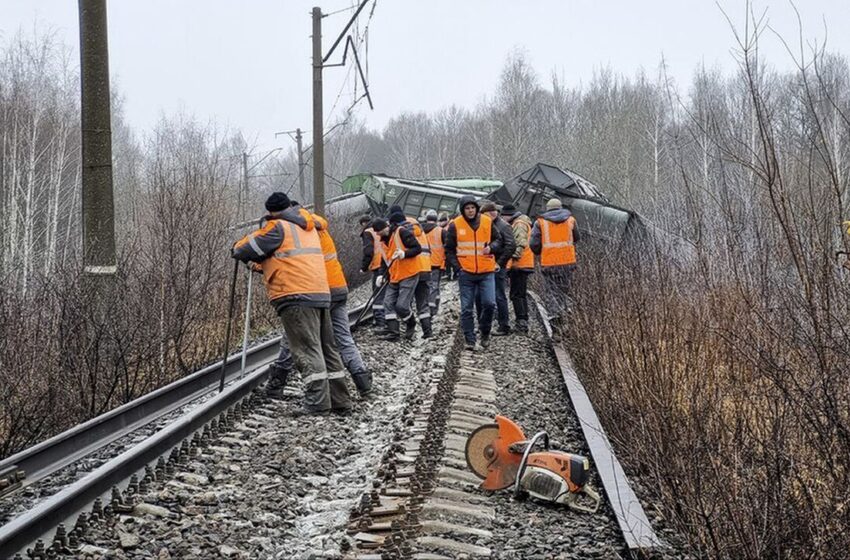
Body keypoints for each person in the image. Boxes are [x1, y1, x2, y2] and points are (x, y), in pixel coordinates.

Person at [232, 192, 351, 415]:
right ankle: (340, 400)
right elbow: (287, 258)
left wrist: (238, 246)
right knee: (327, 348)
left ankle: (317, 403)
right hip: (321, 292)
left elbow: (244, 249)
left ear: (271, 212)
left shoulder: (278, 227)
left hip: (295, 295)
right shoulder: (307, 227)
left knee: (307, 349)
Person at [311, 211, 373, 397]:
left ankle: (279, 380)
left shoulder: (302, 233)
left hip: (320, 291)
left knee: (303, 337)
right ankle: (362, 379)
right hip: (339, 288)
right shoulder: (322, 230)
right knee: (344, 337)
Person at [445, 196, 502, 351]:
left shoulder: (487, 221)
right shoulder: (455, 225)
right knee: (466, 308)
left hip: (486, 270)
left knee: (489, 303)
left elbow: (498, 240)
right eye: (467, 208)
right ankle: (470, 340)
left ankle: (485, 331)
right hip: (466, 273)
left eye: (472, 208)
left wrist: (492, 247)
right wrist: (458, 268)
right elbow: (449, 249)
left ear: (476, 208)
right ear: (462, 210)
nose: (470, 211)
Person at [378, 206, 432, 341]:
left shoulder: (399, 230)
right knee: (422, 303)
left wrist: (404, 255)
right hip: (424, 268)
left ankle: (410, 325)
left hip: (410, 268)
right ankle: (427, 332)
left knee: (403, 304)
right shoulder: (415, 225)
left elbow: (409, 249)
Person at [530, 197, 580, 320]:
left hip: (550, 262)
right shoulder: (571, 220)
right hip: (568, 262)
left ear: (547, 209)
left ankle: (555, 316)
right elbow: (577, 238)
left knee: (551, 291)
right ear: (561, 207)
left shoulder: (540, 222)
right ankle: (565, 311)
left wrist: (539, 252)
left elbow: (533, 243)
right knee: (564, 289)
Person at [479, 201, 516, 336]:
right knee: (494, 295)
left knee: (499, 295)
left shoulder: (503, 226)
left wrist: (499, 263)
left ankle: (504, 325)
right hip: (491, 264)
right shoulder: (495, 224)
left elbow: (511, 246)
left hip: (497, 266)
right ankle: (497, 322)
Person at [501, 203, 534, 334]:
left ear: (507, 215)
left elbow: (520, 244)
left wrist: (509, 258)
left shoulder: (519, 224)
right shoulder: (520, 222)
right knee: (519, 294)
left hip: (520, 264)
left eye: (503, 216)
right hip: (523, 264)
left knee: (517, 295)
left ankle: (522, 323)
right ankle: (523, 321)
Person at [360, 215, 388, 332]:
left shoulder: (368, 232)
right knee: (386, 293)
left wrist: (364, 267)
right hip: (387, 263)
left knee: (377, 295)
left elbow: (369, 251)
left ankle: (380, 321)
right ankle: (387, 319)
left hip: (378, 266)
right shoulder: (382, 228)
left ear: (363, 223)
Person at [422, 209, 446, 316]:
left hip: (423, 264)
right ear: (436, 220)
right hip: (437, 263)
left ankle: (426, 306)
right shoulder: (441, 231)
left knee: (425, 286)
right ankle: (432, 308)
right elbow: (447, 247)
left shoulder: (420, 230)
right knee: (434, 285)